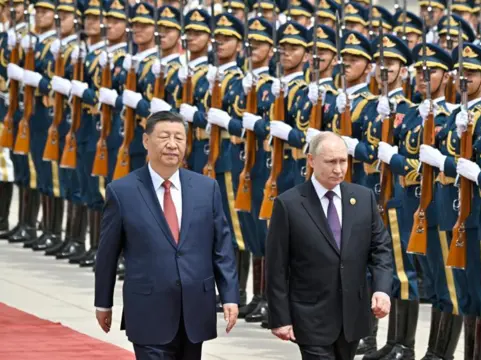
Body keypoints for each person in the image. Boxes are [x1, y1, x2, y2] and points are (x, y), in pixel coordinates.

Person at [94, 111, 240, 360]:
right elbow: (107, 254)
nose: (172, 144)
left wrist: (229, 296)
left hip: (195, 310)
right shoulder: (123, 192)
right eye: (164, 137)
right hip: (148, 309)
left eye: (179, 138)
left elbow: (222, 248)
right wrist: (103, 302)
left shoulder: (207, 188)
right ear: (146, 141)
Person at [265, 131, 393, 360]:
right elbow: (277, 266)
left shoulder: (363, 198)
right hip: (310, 316)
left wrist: (382, 289)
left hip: (352, 317)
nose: (338, 169)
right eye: (331, 162)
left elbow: (380, 248)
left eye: (343, 161)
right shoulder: (290, 204)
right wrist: (280, 317)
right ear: (312, 161)